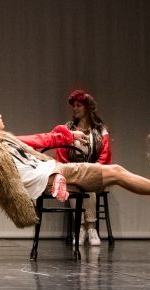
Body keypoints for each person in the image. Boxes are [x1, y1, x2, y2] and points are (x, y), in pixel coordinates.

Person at [0, 101, 150, 249]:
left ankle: (62, 182)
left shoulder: (6, 140)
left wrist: (70, 136)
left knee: (116, 173)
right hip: (47, 177)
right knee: (117, 172)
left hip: (51, 171)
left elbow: (41, 139)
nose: (0, 116)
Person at [46, 89, 112, 247]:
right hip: (73, 170)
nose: (75, 108)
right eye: (74, 106)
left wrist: (95, 168)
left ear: (87, 107)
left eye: (78, 105)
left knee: (88, 181)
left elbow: (105, 153)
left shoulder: (100, 130)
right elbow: (61, 152)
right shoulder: (68, 129)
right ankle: (81, 227)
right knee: (75, 184)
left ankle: (90, 227)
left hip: (94, 170)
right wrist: (68, 169)